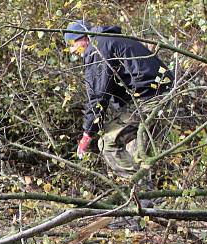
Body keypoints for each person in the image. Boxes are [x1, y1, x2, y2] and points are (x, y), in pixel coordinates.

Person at [65, 20, 174, 181]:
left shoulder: (97, 49)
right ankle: (147, 198)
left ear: (83, 38)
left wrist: (88, 133)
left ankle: (138, 191)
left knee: (108, 143)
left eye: (73, 44)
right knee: (136, 150)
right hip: (162, 92)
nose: (72, 50)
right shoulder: (107, 40)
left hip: (148, 97)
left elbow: (98, 95)